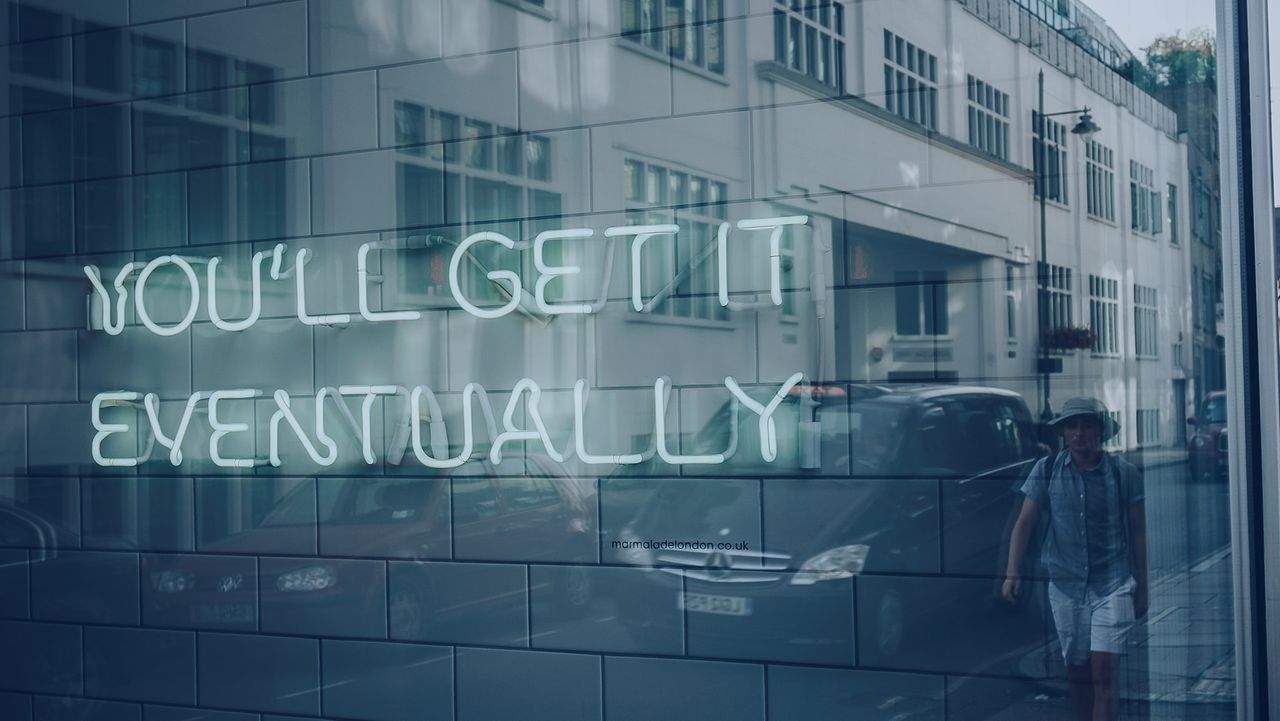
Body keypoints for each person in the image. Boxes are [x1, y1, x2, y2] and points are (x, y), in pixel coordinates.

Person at [1002, 397, 1148, 721]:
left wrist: (1144, 588)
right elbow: (1024, 522)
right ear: (1064, 433)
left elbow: (1138, 533)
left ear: (1100, 431)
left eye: (1087, 425)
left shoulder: (1123, 474)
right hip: (1066, 587)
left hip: (1113, 584)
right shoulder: (1047, 469)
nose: (1079, 433)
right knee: (1078, 676)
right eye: (1072, 426)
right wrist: (1012, 571)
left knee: (1104, 673)